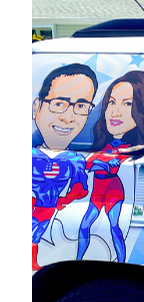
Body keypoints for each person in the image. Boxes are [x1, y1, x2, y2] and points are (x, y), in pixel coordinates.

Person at [77, 70, 144, 261]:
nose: (114, 111)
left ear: (143, 111)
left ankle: (121, 261)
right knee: (84, 225)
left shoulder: (130, 149)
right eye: (111, 102)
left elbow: (108, 167)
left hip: (114, 191)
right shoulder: (104, 145)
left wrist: (96, 164)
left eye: (128, 104)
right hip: (98, 190)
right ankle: (79, 258)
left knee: (114, 227)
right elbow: (90, 163)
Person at [32, 63, 97, 271]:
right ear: (37, 107)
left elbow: (82, 188)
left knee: (38, 233)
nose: (68, 118)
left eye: (81, 106)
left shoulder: (75, 160)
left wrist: (64, 199)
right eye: (59, 104)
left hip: (49, 209)